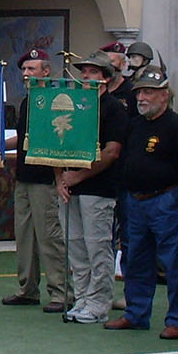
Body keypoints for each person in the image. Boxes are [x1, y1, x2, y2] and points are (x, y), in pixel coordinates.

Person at [104, 64, 178, 338]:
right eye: (139, 93)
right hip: (134, 202)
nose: (142, 97)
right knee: (135, 259)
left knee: (175, 262)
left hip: (166, 201)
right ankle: (136, 313)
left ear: (164, 95)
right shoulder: (133, 125)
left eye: (149, 92)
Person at [56, 52, 128, 323]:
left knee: (97, 246)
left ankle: (99, 302)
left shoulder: (113, 108)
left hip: (99, 189)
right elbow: (55, 144)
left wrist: (79, 176)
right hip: (70, 188)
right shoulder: (73, 104)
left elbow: (111, 152)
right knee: (75, 246)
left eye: (92, 72)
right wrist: (61, 179)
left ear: (106, 78)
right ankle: (83, 298)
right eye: (84, 71)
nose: (85, 76)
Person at [2, 48, 68, 313]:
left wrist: (60, 176)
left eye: (31, 69)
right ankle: (27, 288)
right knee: (25, 236)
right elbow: (23, 136)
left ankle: (61, 292)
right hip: (25, 176)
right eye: (24, 70)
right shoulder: (28, 101)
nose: (26, 74)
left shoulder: (54, 99)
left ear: (46, 71)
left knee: (49, 236)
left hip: (45, 178)